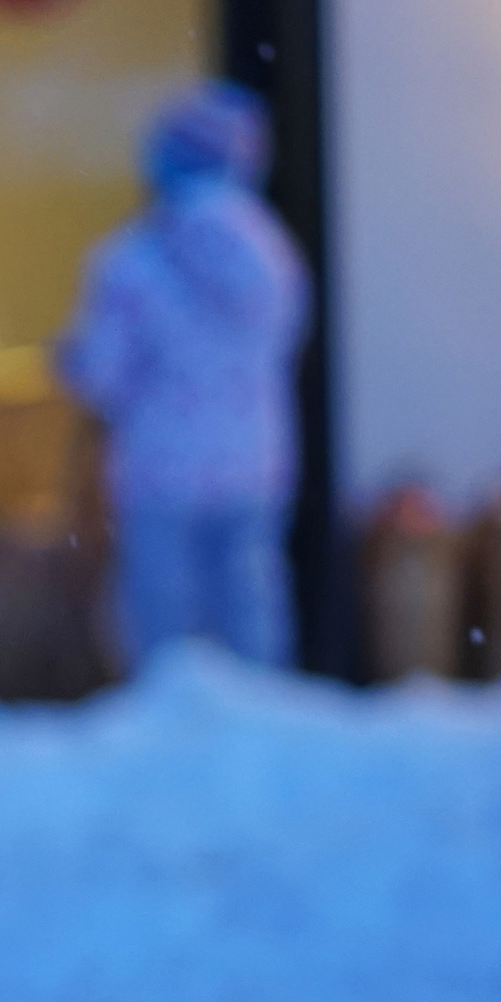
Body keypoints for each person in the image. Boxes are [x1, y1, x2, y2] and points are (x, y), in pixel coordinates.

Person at [53, 81, 310, 670]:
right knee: (248, 611)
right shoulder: (273, 254)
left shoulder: (133, 260)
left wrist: (72, 361)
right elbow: (287, 341)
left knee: (164, 623)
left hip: (161, 464)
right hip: (254, 459)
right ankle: (258, 713)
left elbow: (103, 373)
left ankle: (172, 721)